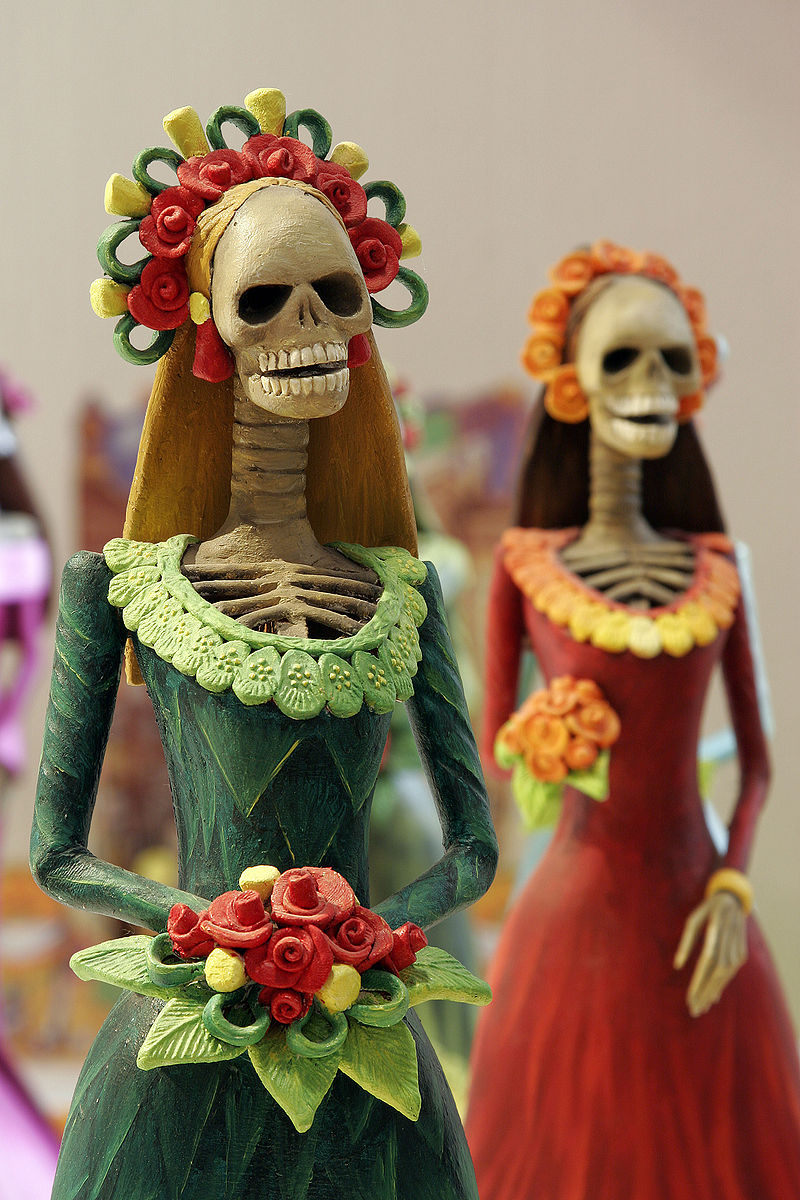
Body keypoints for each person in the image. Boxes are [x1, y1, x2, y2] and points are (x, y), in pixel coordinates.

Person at [31, 88, 496, 1200]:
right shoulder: (116, 586)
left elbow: (472, 847)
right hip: (182, 1039)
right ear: (207, 326)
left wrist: (372, 934)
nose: (305, 326)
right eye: (265, 301)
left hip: (357, 1023)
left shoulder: (405, 594)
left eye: (333, 296)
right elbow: (57, 851)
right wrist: (199, 931)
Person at [465, 242, 800, 1199]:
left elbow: (758, 764)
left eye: (671, 361)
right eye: (622, 359)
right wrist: (546, 738)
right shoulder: (525, 566)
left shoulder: (718, 566)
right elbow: (495, 744)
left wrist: (732, 887)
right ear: (572, 380)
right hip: (576, 914)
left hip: (701, 910)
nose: (651, 384)